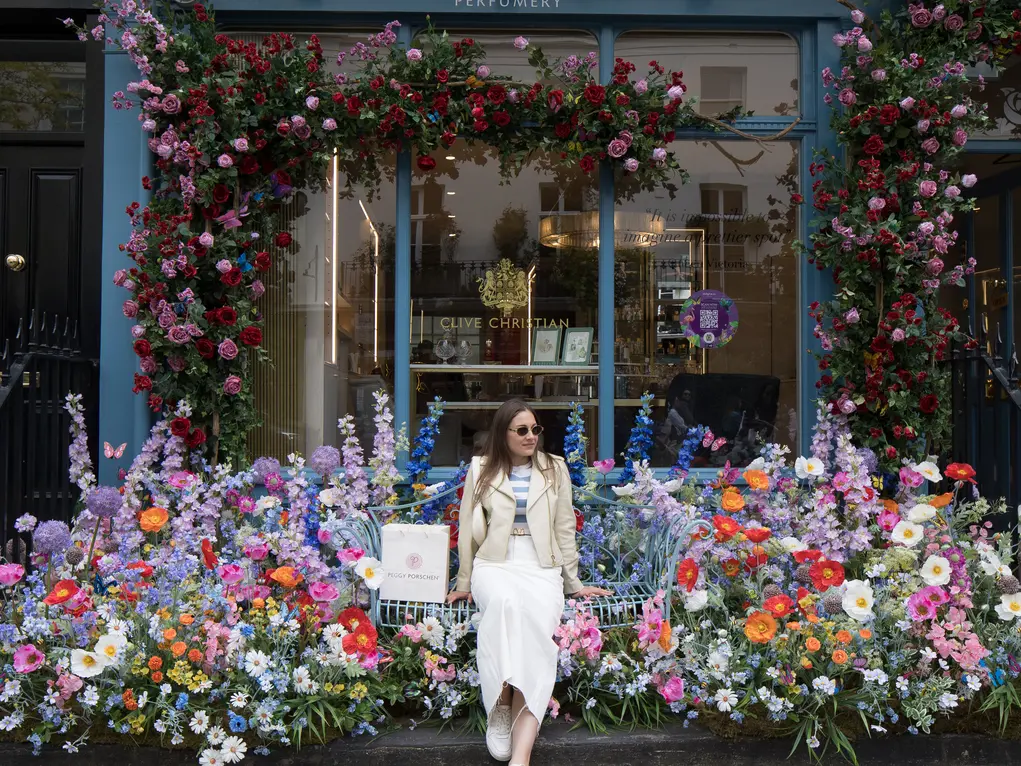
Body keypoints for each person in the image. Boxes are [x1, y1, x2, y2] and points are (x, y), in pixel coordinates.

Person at [447, 399, 611, 765]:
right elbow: (467, 529)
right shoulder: (483, 468)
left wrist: (574, 583)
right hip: (495, 562)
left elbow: (564, 528)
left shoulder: (554, 469)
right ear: (503, 433)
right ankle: (501, 700)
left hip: (541, 566)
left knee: (535, 621)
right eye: (521, 430)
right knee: (505, 604)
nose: (530, 436)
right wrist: (463, 581)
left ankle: (520, 756)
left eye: (535, 429)